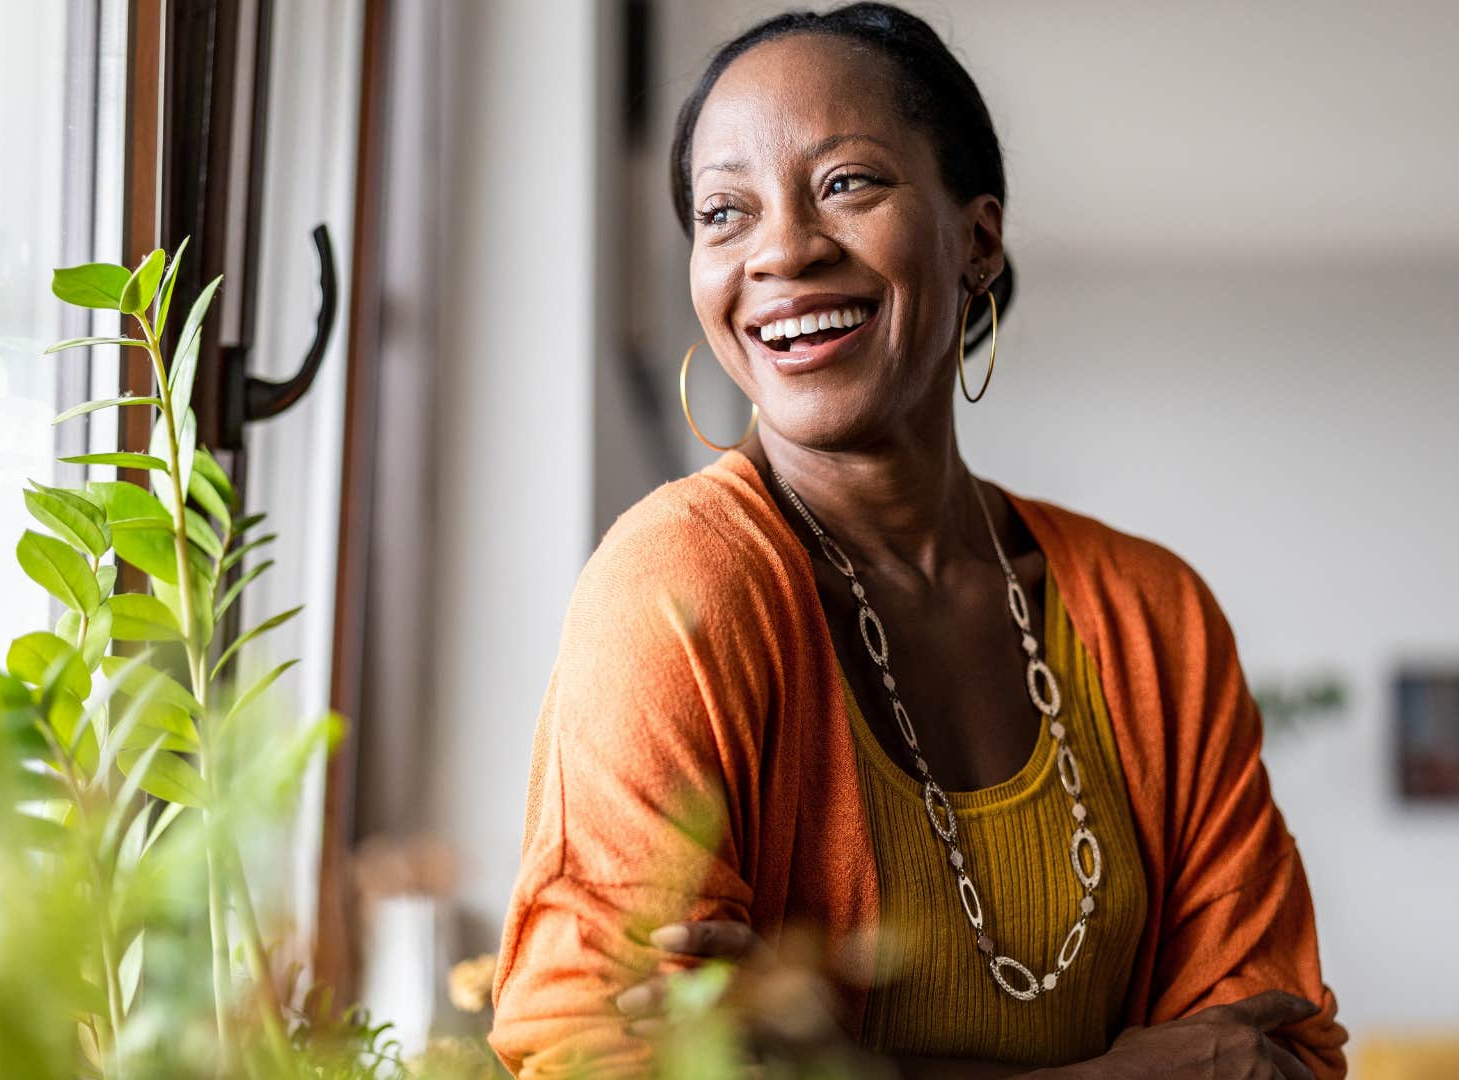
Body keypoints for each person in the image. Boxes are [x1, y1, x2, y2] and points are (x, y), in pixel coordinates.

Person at [490, 4, 1346, 1077]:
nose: (784, 250)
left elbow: (1277, 1056)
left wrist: (819, 1064)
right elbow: (594, 1051)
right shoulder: (679, 584)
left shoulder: (1151, 614)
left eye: (847, 182)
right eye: (723, 212)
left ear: (977, 240)